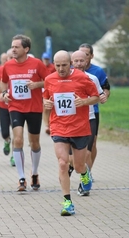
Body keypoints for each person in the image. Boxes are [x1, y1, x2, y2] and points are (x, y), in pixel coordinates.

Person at [43, 50, 99, 216]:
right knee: (62, 163)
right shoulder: (49, 79)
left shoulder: (82, 78)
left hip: (80, 127)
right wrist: (46, 105)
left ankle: (84, 173)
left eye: (64, 65)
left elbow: (95, 96)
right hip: (59, 126)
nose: (60, 69)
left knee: (79, 165)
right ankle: (67, 202)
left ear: (71, 64)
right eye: (58, 65)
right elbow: (47, 100)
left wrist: (84, 101)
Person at [0, 34, 49, 192]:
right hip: (16, 107)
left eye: (16, 47)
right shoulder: (8, 65)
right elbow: (4, 82)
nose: (13, 49)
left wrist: (37, 84)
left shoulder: (36, 64)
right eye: (12, 46)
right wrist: (4, 94)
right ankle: (21, 178)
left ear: (26, 49)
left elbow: (49, 80)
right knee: (18, 139)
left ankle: (34, 173)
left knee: (34, 142)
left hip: (34, 107)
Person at [70, 50, 107, 196]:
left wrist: (102, 97)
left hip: (89, 118)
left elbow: (99, 94)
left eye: (81, 61)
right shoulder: (65, 79)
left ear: (87, 62)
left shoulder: (92, 78)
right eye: (76, 61)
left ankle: (84, 182)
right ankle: (81, 172)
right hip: (69, 121)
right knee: (70, 159)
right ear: (71, 63)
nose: (79, 63)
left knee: (87, 153)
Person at [78, 43, 111, 173]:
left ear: (91, 56)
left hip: (93, 112)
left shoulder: (97, 72)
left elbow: (106, 88)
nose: (82, 58)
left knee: (91, 144)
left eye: (86, 55)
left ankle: (88, 172)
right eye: (80, 55)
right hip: (76, 114)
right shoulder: (70, 71)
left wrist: (104, 96)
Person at [0, 49, 15, 167]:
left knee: (17, 134)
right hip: (3, 106)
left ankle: (14, 156)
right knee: (5, 132)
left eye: (13, 57)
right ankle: (6, 141)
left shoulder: (22, 70)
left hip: (17, 106)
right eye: (9, 57)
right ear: (6, 59)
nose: (12, 59)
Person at [41, 52, 56, 135]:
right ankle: (47, 125)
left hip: (52, 89)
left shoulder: (53, 67)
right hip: (42, 90)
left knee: (51, 107)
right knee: (45, 108)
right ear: (42, 59)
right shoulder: (40, 67)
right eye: (45, 59)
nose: (46, 61)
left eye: (47, 59)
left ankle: (50, 124)